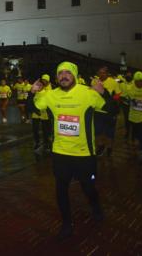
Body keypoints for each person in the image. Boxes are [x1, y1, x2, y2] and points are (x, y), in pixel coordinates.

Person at [29, 61, 113, 240]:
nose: (63, 76)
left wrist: (103, 93)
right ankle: (67, 223)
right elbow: (33, 108)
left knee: (88, 187)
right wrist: (32, 93)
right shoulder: (51, 95)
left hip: (84, 154)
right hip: (60, 153)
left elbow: (113, 110)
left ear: (74, 75)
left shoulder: (88, 93)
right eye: (60, 73)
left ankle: (96, 206)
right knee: (60, 189)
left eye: (67, 72)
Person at [91, 67, 121, 157]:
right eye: (100, 72)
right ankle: (101, 146)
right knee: (97, 132)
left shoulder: (113, 82)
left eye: (103, 73)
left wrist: (113, 103)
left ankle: (109, 147)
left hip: (109, 111)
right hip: (97, 111)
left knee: (110, 132)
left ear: (107, 73)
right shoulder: (94, 82)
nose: (101, 74)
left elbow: (118, 95)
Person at [31, 74, 52, 153]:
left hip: (45, 115)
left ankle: (47, 144)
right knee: (35, 130)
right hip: (35, 114)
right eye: (42, 80)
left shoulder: (48, 91)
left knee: (46, 131)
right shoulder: (36, 92)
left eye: (45, 81)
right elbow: (31, 102)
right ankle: (37, 142)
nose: (44, 82)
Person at [119, 72, 134, 140]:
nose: (128, 76)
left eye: (130, 75)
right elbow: (119, 93)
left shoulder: (135, 83)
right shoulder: (121, 84)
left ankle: (134, 133)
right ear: (125, 76)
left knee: (133, 118)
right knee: (126, 118)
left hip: (133, 103)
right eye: (127, 75)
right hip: (124, 103)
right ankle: (127, 132)